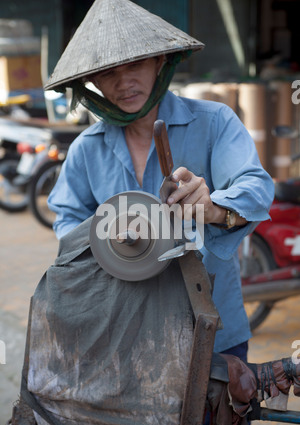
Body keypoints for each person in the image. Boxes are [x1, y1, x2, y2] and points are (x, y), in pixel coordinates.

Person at [47, 0, 274, 362]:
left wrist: (212, 208)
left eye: (135, 64)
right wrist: (104, 243)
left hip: (212, 330)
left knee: (215, 416)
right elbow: (67, 221)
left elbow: (256, 189)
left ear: (160, 62)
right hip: (125, 333)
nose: (124, 82)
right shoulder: (85, 150)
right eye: (108, 72)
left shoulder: (214, 122)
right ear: (91, 83)